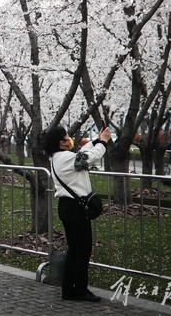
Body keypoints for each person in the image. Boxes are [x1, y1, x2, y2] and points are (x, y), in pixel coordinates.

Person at [46, 124, 111, 302]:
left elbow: (82, 152)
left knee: (75, 250)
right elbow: (90, 157)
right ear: (61, 142)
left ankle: (68, 290)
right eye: (67, 136)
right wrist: (103, 142)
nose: (69, 138)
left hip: (67, 207)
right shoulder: (66, 158)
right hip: (76, 209)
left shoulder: (57, 157)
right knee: (83, 250)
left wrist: (97, 140)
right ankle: (80, 290)